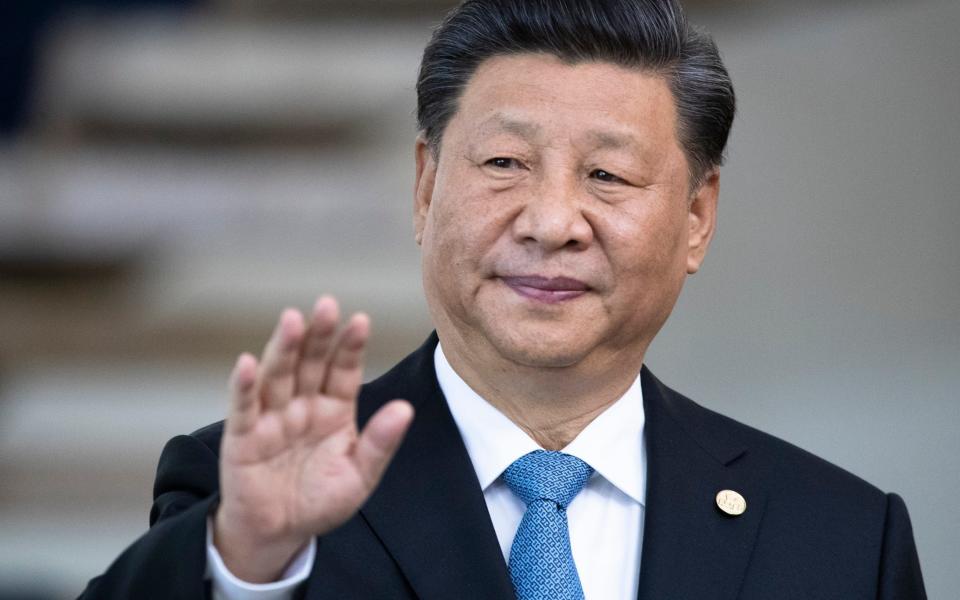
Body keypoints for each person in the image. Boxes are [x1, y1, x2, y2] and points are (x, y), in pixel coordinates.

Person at [80, 1, 926, 598]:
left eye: (608, 175)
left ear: (697, 217)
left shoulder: (841, 537)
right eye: (503, 164)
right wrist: (247, 562)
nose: (553, 221)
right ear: (424, 188)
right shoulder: (252, 502)